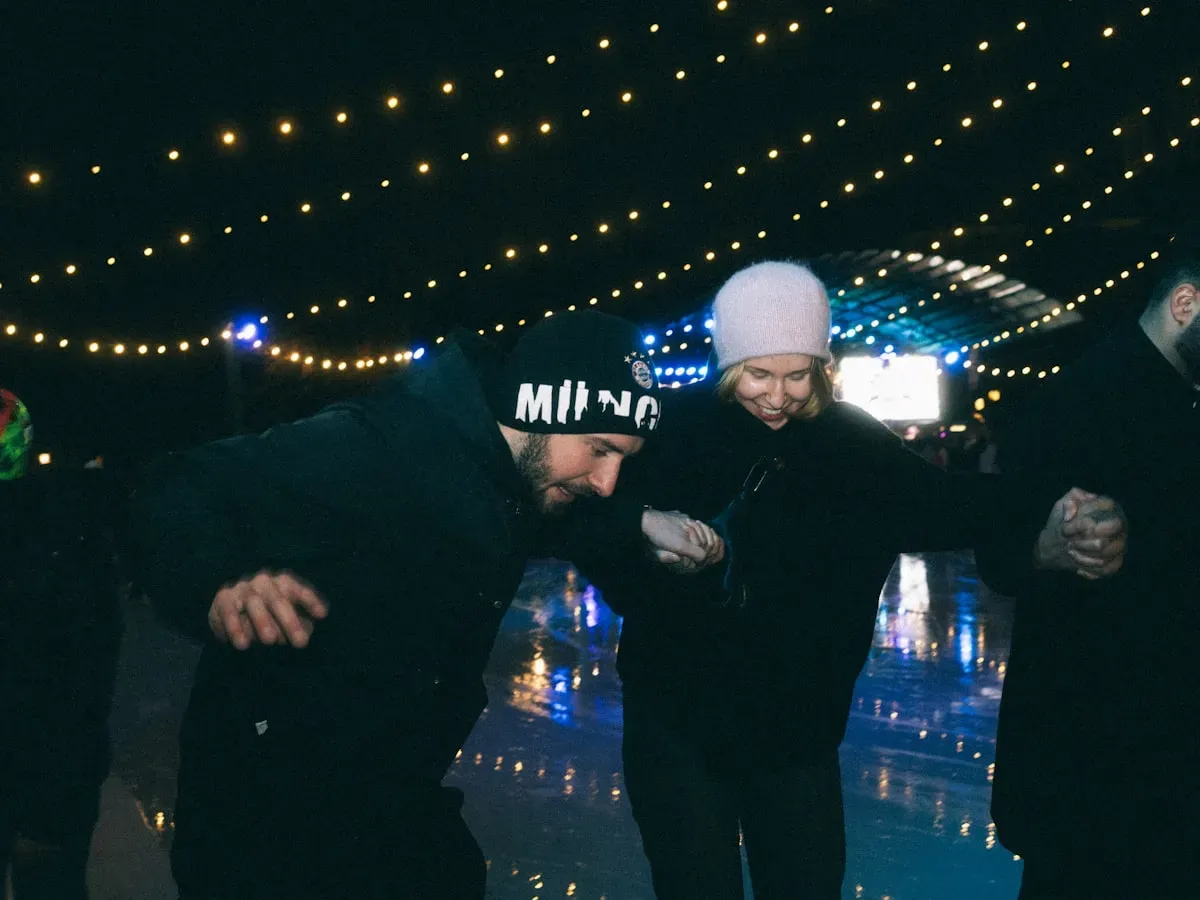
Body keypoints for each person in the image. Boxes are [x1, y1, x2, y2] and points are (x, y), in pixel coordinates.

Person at [559, 262, 1127, 900]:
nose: (777, 396)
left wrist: (1053, 505)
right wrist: (642, 531)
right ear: (726, 363)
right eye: (757, 374)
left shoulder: (852, 444)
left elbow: (950, 503)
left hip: (797, 731)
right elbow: (578, 516)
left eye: (797, 374)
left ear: (821, 365)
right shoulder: (670, 431)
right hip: (677, 728)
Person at [129, 311, 722, 900]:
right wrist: (215, 583)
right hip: (268, 816)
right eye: (599, 449)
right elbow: (177, 487)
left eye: (624, 457)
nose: (607, 480)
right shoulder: (378, 446)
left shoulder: (506, 471)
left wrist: (640, 521)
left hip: (390, 791)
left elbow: (553, 521)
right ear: (541, 408)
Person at [975, 227, 1200, 898]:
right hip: (1097, 770)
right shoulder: (1085, 400)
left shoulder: (1172, 400)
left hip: (1146, 768)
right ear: (1185, 305)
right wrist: (1042, 547)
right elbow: (1000, 544)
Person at [0, 389, 122, 899]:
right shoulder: (68, 531)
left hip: (46, 774)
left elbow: (83, 677)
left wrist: (50, 809)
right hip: (53, 777)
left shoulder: (61, 536)